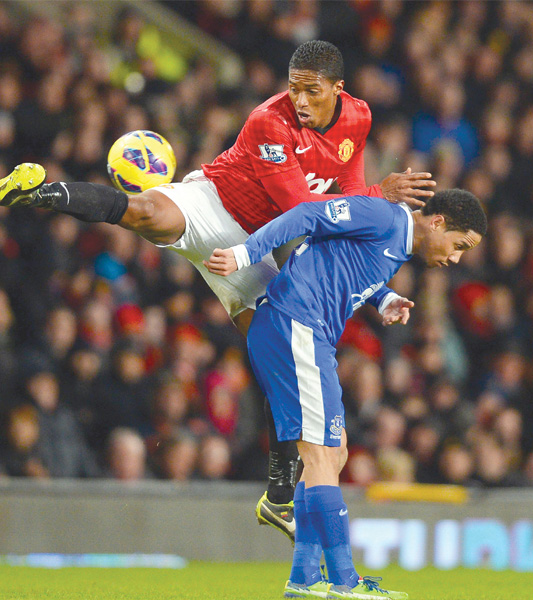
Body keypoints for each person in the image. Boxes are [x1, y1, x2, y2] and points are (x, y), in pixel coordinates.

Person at [0, 40, 435, 542]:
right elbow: (300, 205)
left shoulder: (359, 118)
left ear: (338, 90)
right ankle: (46, 189)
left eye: (312, 92)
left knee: (280, 356)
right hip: (214, 205)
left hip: (257, 249)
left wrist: (380, 292)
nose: (301, 101)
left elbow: (345, 200)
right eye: (294, 90)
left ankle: (279, 499)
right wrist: (381, 195)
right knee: (148, 214)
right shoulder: (269, 121)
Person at [205, 189, 486, 598]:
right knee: (321, 454)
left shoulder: (395, 243)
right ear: (438, 222)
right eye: (459, 245)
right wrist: (247, 254)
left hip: (307, 334)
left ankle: (304, 577)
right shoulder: (385, 216)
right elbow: (306, 215)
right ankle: (344, 580)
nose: (456, 257)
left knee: (334, 454)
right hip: (295, 325)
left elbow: (342, 261)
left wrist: (383, 297)